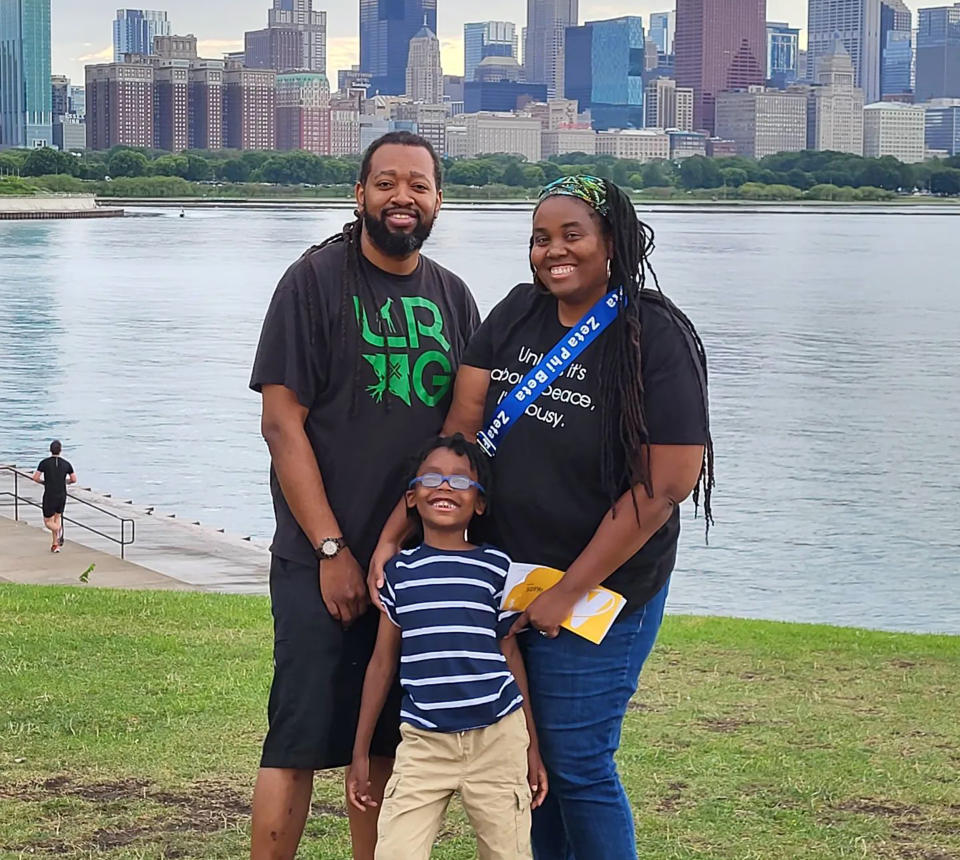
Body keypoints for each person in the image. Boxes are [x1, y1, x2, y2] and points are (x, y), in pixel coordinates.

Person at [372, 175, 714, 859]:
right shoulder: (516, 314)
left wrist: (567, 591)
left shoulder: (657, 336)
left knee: (578, 762)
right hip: (505, 582)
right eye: (539, 238)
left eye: (571, 235)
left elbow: (664, 487)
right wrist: (395, 535)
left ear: (612, 242)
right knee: (533, 762)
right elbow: (461, 432)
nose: (551, 251)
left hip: (604, 590)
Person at [248, 132, 480, 860]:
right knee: (297, 740)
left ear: (439, 200)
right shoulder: (312, 282)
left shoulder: (453, 296)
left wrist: (406, 548)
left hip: (413, 564)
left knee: (388, 745)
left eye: (419, 185)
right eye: (386, 183)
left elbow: (460, 437)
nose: (402, 198)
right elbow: (282, 425)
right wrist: (331, 549)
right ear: (359, 195)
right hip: (318, 558)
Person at [348, 434, 547, 860]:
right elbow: (383, 663)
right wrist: (360, 750)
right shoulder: (398, 573)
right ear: (411, 497)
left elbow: (509, 655)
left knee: (508, 853)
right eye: (432, 477)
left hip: (497, 739)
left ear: (480, 503)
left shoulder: (497, 567)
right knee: (396, 852)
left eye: (460, 481)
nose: (444, 486)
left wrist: (531, 746)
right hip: (423, 744)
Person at [32, 440, 77, 553]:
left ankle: (59, 530)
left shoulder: (44, 463)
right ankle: (55, 545)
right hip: (62, 494)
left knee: (48, 522)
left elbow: (35, 477)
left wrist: (44, 482)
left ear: (50, 450)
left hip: (50, 494)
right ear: (60, 450)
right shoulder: (67, 464)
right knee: (57, 518)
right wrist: (64, 481)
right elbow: (73, 479)